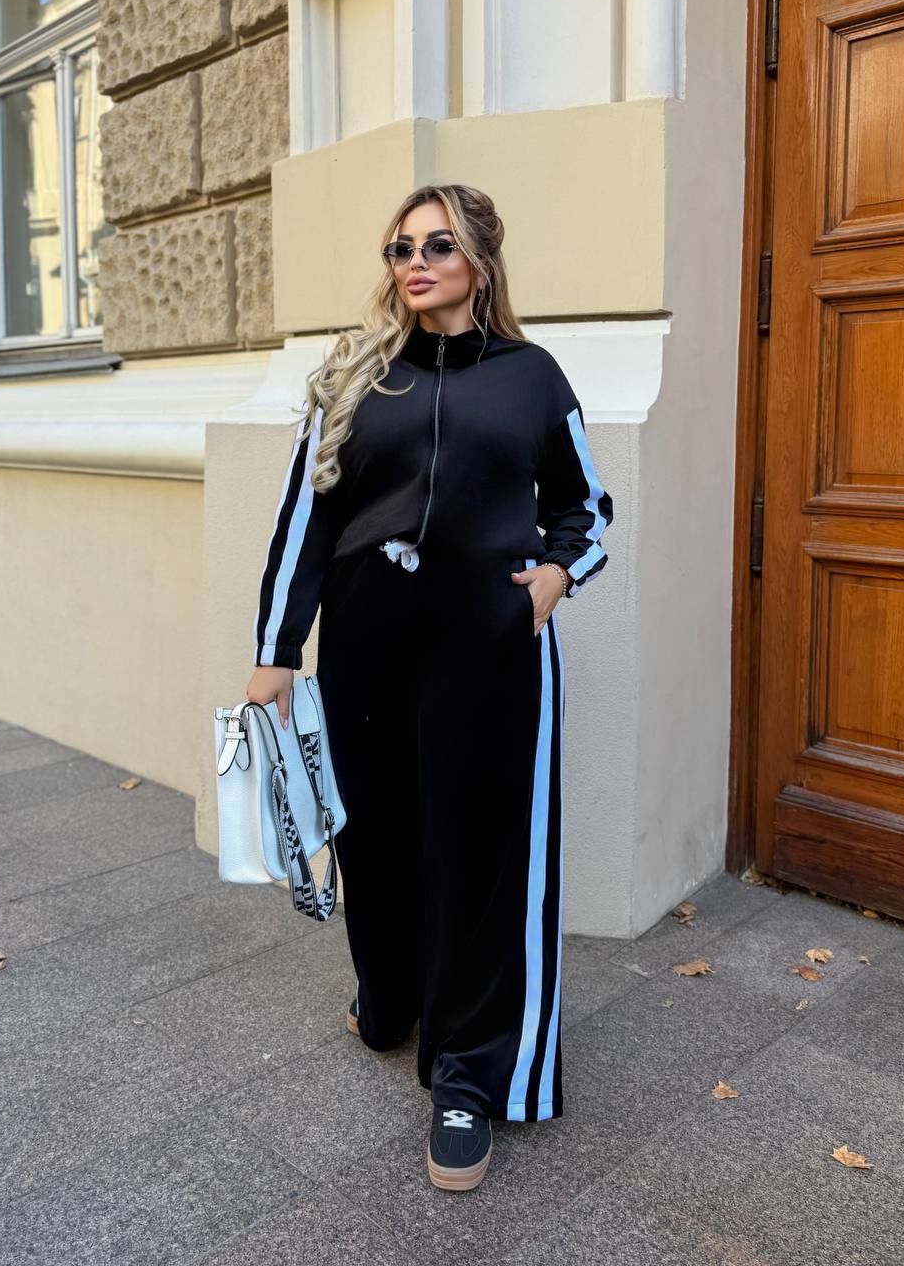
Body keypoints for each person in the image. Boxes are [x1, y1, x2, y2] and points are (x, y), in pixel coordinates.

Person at [246, 183, 613, 1192]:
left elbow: (587, 508)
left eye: (438, 245)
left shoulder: (532, 376)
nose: (415, 262)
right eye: (400, 247)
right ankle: (390, 997)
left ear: (479, 262)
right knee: (374, 835)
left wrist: (555, 575)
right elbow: (305, 520)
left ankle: (467, 1074)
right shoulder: (357, 375)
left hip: (486, 649)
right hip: (365, 646)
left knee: (478, 855)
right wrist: (277, 648)